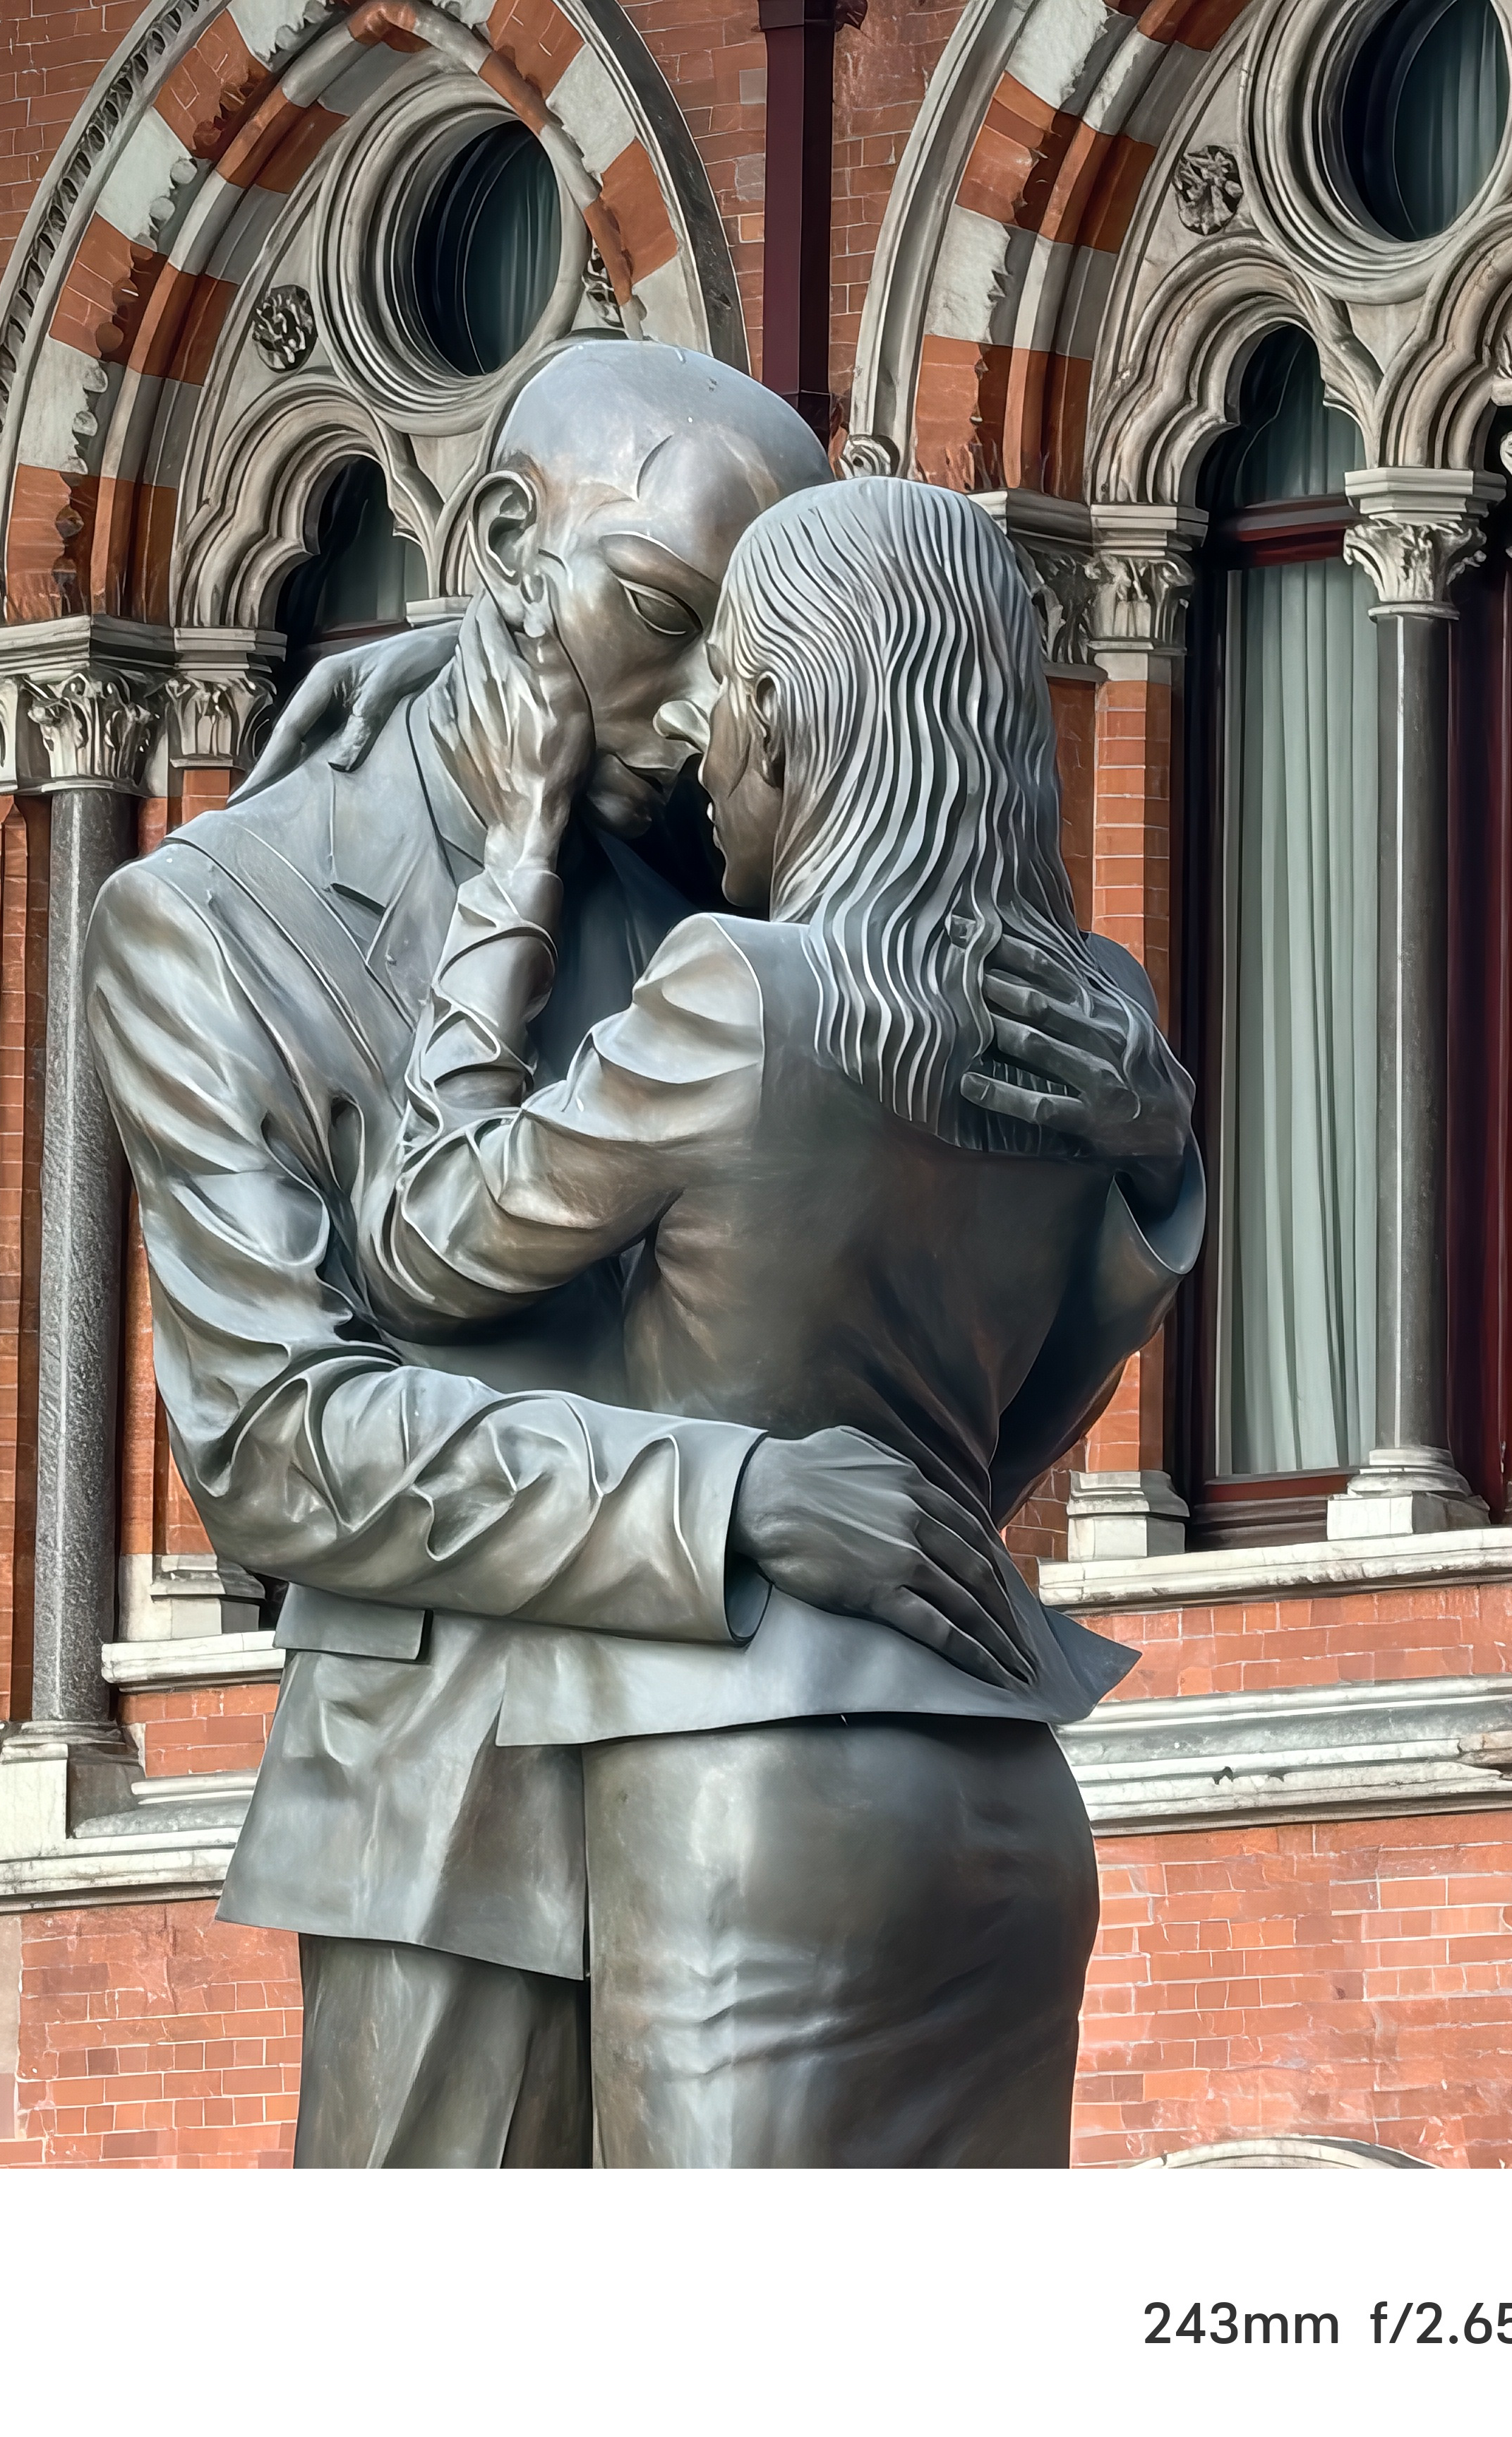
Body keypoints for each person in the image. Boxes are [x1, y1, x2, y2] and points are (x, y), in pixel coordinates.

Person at [81, 342, 1196, 2167]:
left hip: (799, 1774)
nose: (697, 712)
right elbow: (279, 1444)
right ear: (510, 543)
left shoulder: (760, 869)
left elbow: (937, 1418)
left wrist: (1133, 1175)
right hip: (459, 1825)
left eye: (732, 651)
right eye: (662, 615)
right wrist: (733, 1503)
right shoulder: (220, 921)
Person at [365, 477, 1201, 2164]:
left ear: (790, 716)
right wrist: (1163, 1167)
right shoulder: (1098, 1017)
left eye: (724, 683)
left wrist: (512, 871)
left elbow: (420, 1241)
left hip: (746, 1786)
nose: (690, 741)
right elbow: (1025, 1426)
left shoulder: (738, 990)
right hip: (1004, 1796)